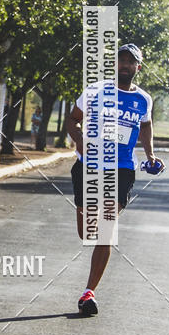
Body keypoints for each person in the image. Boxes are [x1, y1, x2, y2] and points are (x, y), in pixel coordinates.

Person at [66, 44, 163, 316]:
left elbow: (145, 124)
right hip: (88, 166)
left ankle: (89, 292)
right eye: (121, 60)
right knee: (87, 232)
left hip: (122, 169)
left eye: (130, 62)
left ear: (138, 67)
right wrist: (80, 140)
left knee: (107, 226)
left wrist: (150, 154)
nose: (125, 65)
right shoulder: (95, 91)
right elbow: (73, 120)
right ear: (114, 64)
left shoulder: (143, 99)